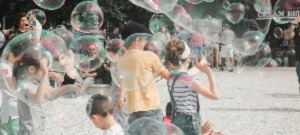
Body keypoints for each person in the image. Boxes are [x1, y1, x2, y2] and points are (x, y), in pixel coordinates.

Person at [116, 22, 170, 124]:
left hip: (133, 109)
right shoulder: (149, 56)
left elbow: (124, 80)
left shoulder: (122, 60)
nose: (146, 43)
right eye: (145, 40)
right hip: (150, 106)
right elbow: (167, 76)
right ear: (137, 40)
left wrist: (121, 96)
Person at [165, 39, 219, 135]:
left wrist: (200, 65)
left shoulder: (171, 76)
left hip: (176, 120)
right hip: (190, 123)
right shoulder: (189, 79)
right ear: (188, 58)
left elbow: (186, 74)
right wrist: (209, 73)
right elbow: (215, 95)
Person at [0, 38, 31, 135]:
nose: (19, 60)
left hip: (13, 109)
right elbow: (13, 86)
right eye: (18, 57)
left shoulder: (8, 65)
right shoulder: (4, 67)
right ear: (11, 54)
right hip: (11, 111)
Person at [294, 16, 300, 94]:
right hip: (298, 57)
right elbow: (287, 36)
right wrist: (295, 24)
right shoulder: (296, 30)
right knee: (298, 73)